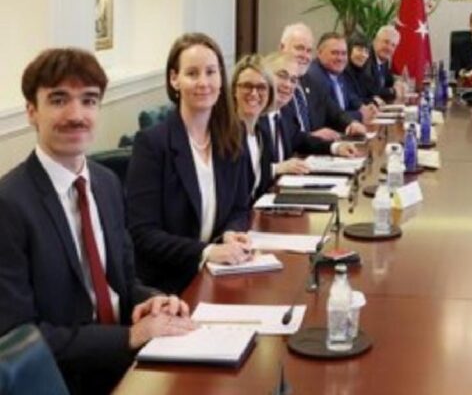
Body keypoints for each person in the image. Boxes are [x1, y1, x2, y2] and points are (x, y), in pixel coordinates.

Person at [0, 48, 195, 394]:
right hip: (64, 381)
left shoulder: (106, 183)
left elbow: (122, 282)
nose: (77, 115)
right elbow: (19, 337)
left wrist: (152, 300)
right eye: (59, 100)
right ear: (31, 111)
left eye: (89, 100)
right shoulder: (9, 204)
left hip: (129, 364)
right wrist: (128, 337)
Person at [126, 33, 253, 295]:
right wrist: (206, 251)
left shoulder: (234, 134)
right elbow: (143, 233)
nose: (203, 82)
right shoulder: (152, 144)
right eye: (192, 73)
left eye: (211, 72)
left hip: (219, 274)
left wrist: (231, 232)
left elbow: (240, 207)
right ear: (174, 79)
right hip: (168, 286)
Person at [259, 52, 358, 178]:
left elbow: (299, 140)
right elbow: (244, 169)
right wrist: (276, 168)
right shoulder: (253, 117)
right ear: (264, 77)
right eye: (282, 76)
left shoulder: (284, 113)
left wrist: (336, 147)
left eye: (293, 80)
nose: (288, 85)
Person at [279, 23, 367, 140]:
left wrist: (351, 123)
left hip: (314, 148)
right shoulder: (275, 84)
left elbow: (333, 112)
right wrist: (311, 136)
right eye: (299, 48)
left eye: (309, 51)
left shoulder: (310, 80)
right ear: (282, 48)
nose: (305, 55)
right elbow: (285, 133)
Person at [305, 32, 378, 123]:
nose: (340, 58)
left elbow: (349, 96)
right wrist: (360, 115)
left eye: (343, 53)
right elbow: (330, 117)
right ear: (319, 53)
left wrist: (362, 107)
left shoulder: (337, 72)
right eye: (334, 53)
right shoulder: (315, 77)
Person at [231, 54, 275, 203]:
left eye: (261, 87)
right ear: (234, 90)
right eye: (247, 86)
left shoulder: (262, 135)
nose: (254, 93)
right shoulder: (226, 136)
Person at [367, 25, 405, 103]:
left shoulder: (384, 59)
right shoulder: (366, 58)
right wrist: (393, 91)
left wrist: (397, 83)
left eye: (393, 45)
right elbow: (371, 90)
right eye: (386, 42)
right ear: (375, 41)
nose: (389, 48)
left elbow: (389, 81)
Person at [344, 33, 378, 105]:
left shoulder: (363, 73)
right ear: (349, 50)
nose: (363, 55)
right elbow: (351, 100)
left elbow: (370, 93)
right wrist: (373, 101)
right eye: (359, 50)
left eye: (366, 51)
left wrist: (374, 99)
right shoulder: (343, 73)